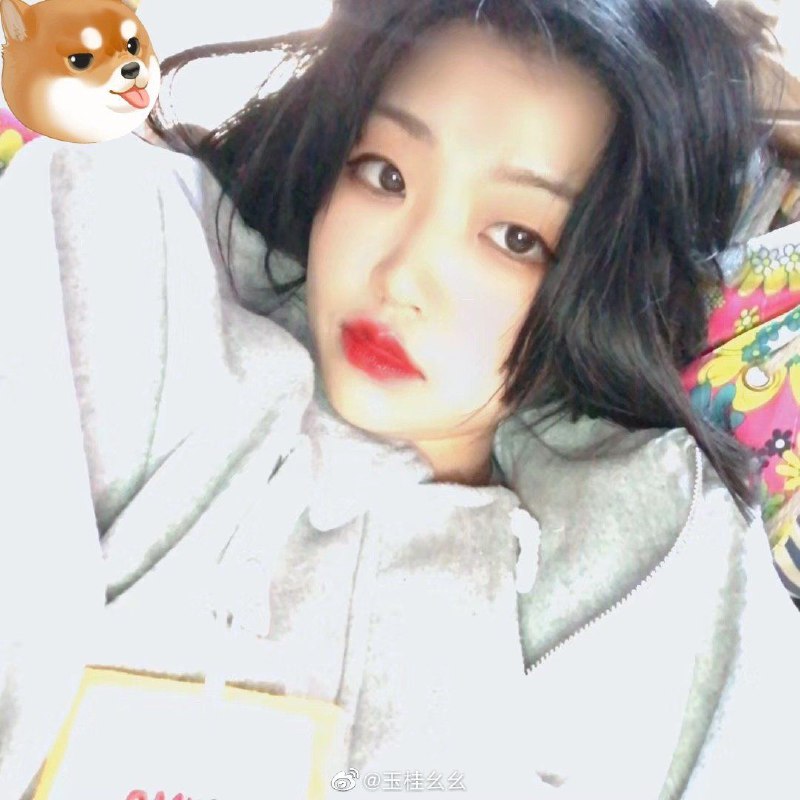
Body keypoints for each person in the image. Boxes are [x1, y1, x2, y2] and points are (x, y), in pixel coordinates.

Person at [2, 0, 800, 797]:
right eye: (384, 174)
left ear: (607, 281)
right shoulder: (141, 278)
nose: (402, 275)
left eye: (516, 238)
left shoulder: (666, 561)